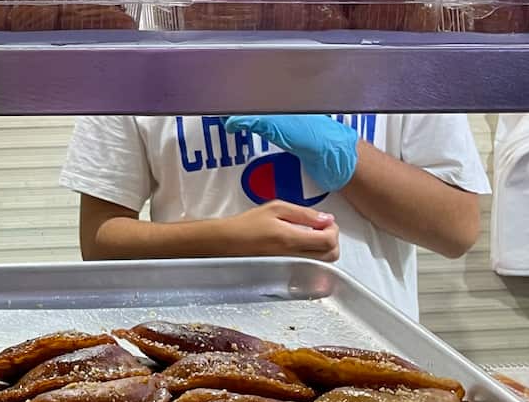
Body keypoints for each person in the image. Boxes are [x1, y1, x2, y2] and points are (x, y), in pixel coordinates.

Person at [61, 112, 489, 318]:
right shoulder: (141, 57)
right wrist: (227, 240)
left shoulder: (396, 44)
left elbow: (456, 229)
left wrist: (350, 156)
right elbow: (100, 241)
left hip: (371, 350)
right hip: (199, 358)